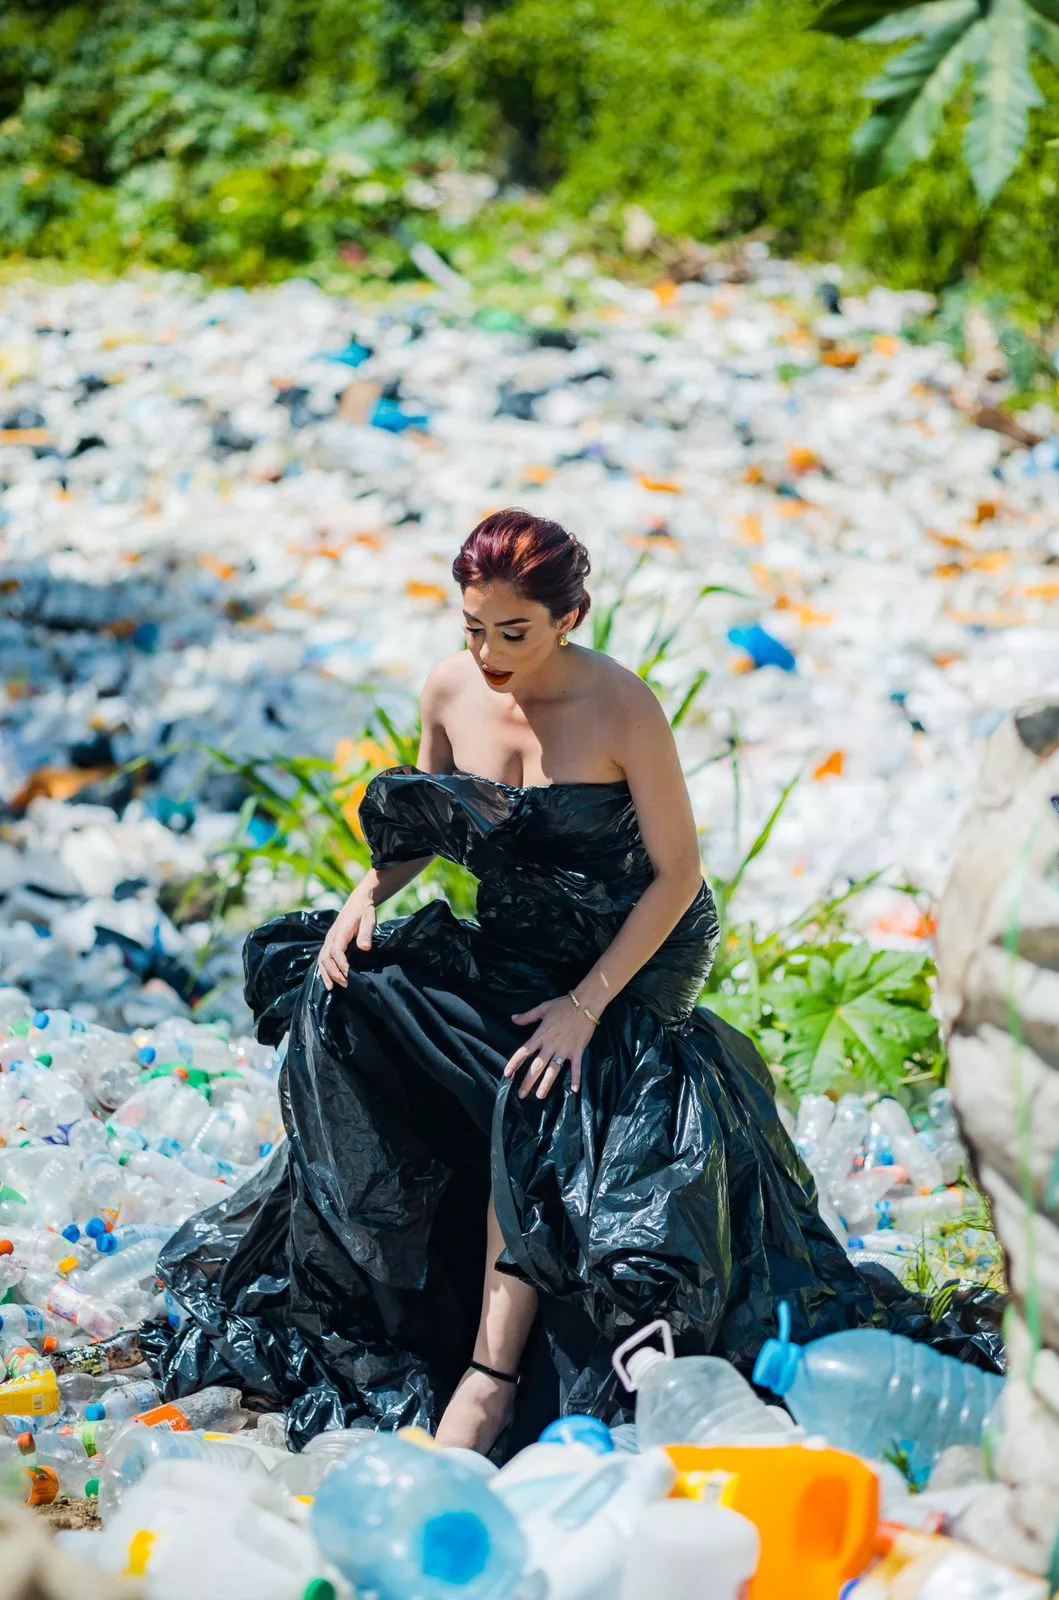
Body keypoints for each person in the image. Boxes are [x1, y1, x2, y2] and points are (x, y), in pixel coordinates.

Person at [154, 509, 1000, 1454]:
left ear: (570, 617)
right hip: (516, 944)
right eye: (473, 628)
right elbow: (428, 830)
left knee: (543, 1088)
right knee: (345, 994)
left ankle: (493, 1377)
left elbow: (680, 879)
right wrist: (364, 895)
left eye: (513, 633)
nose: (488, 654)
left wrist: (586, 1007)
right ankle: (390, 1302)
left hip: (634, 951)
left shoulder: (622, 708)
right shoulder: (449, 689)